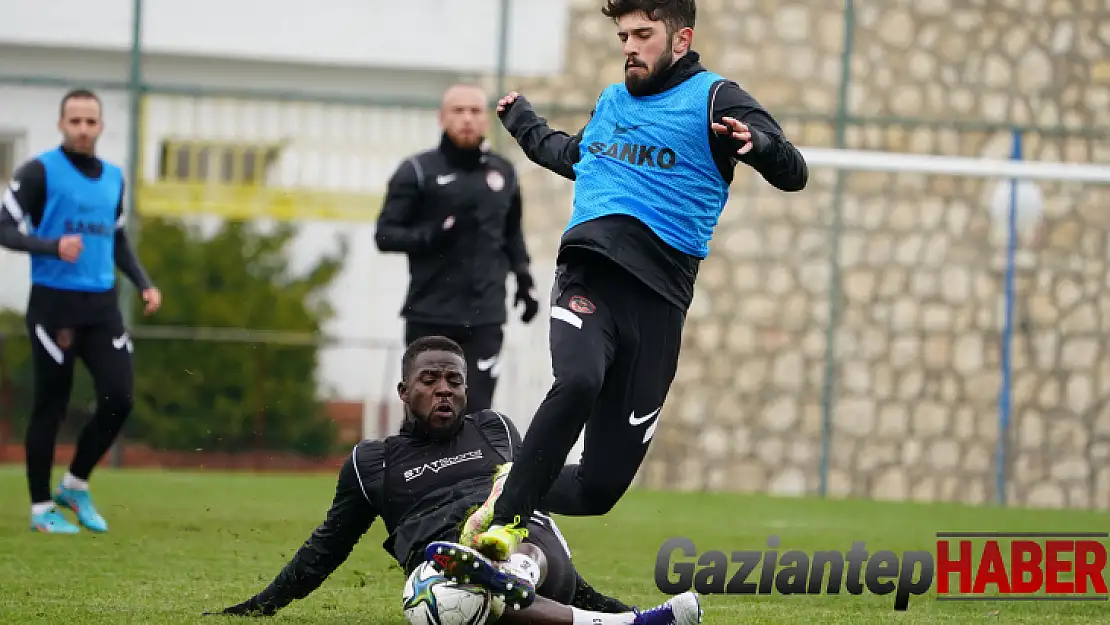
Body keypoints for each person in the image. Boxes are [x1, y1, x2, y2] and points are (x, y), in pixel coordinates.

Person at [458, 0, 809, 563]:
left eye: (642, 34)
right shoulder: (612, 101)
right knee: (577, 380)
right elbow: (573, 155)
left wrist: (759, 146)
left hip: (659, 304)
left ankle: (510, 481)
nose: (628, 46)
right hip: (589, 274)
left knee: (598, 491)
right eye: (623, 35)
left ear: (680, 38)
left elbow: (795, 170)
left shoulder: (716, 99)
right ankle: (506, 522)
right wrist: (523, 121)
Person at [205, 336, 702, 625]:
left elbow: (530, 501)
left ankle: (505, 576)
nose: (443, 390)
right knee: (454, 593)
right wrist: (261, 605)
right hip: (445, 581)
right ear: (404, 391)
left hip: (532, 551)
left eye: (454, 380)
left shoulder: (495, 429)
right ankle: (621, 623)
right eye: (429, 381)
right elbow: (326, 547)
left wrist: (592, 594)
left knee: (510, 543)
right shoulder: (371, 462)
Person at [0, 88, 161, 535]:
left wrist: (144, 283)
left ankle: (74, 484)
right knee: (50, 406)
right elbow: (4, 228)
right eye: (75, 121)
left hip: (102, 306)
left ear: (101, 126)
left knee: (120, 397)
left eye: (91, 121)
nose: (83, 129)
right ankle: (40, 509)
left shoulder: (114, 178)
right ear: (61, 124)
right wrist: (51, 246)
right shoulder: (38, 172)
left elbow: (118, 240)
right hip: (54, 307)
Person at [374, 83, 540, 413]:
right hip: (430, 312)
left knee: (476, 411)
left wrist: (524, 279)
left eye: (475, 111)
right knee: (427, 414)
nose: (467, 119)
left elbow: (511, 235)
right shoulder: (418, 171)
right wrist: (432, 235)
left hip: (485, 315)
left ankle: (477, 467)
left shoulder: (503, 172)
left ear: (487, 119)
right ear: (441, 118)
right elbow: (385, 235)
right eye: (458, 111)